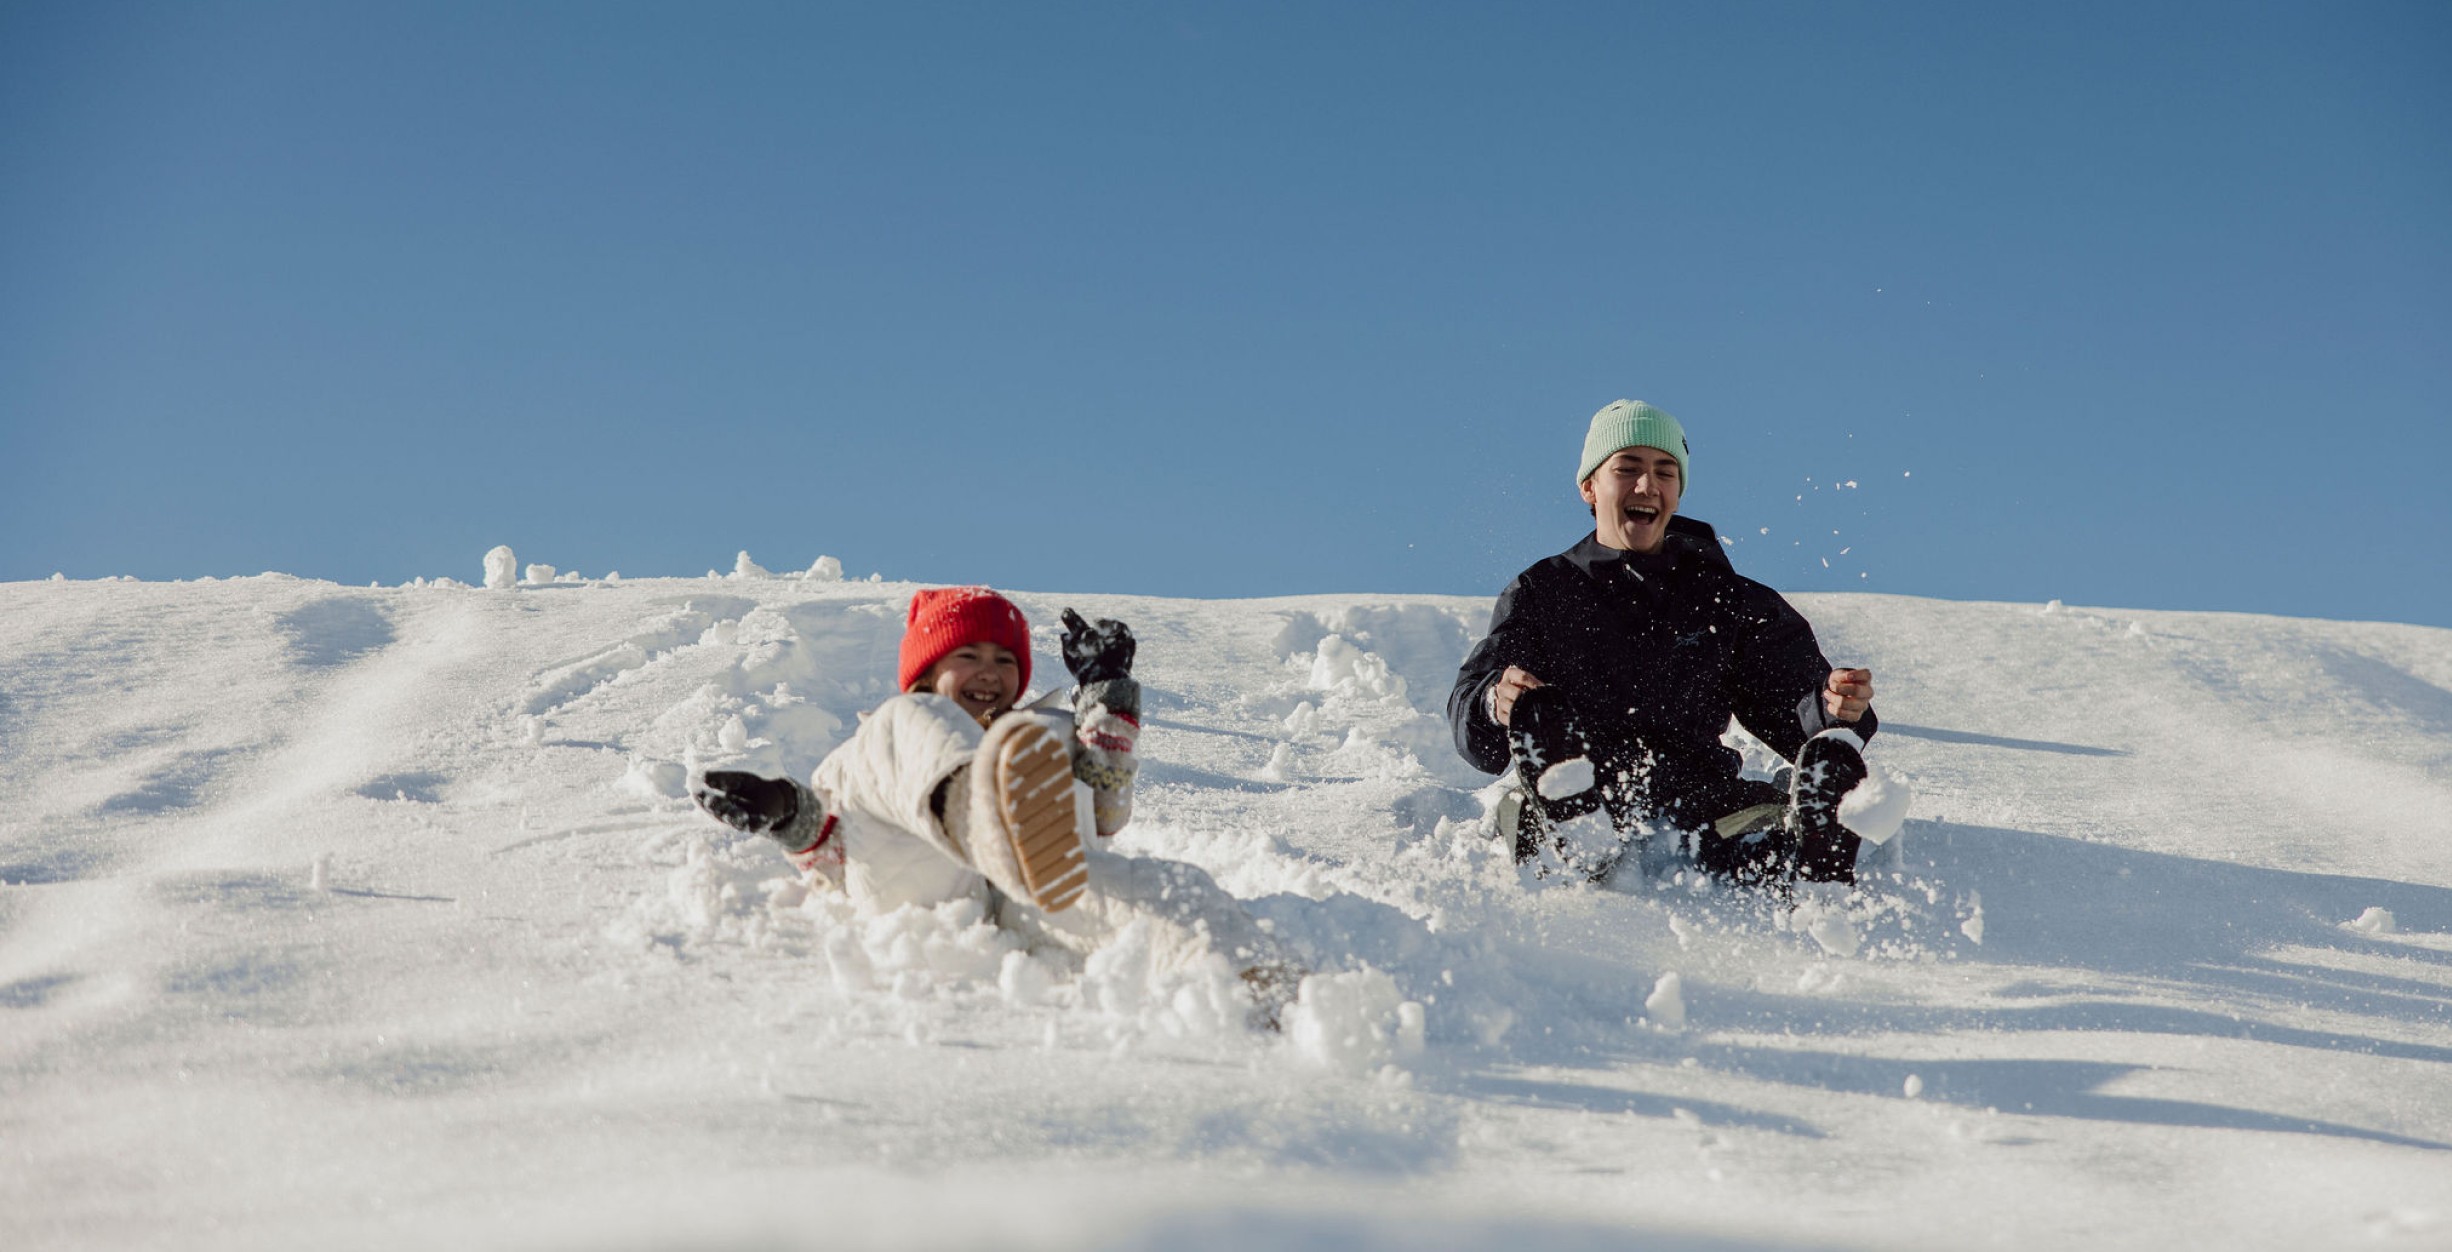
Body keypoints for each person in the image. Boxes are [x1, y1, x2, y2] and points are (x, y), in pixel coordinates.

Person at [691, 587, 1292, 1006]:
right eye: (968, 656)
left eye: (1006, 660)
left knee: (1168, 893)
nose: (991, 671)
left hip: (1036, 886)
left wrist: (1107, 693)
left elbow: (1106, 815)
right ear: (926, 673)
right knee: (912, 724)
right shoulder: (889, 733)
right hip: (924, 898)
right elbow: (834, 853)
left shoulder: (1040, 737)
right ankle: (981, 821)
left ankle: (1263, 991)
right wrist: (787, 814)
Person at [1448, 400, 1881, 886]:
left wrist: (1832, 709)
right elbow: (1474, 724)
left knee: (1769, 818)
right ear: (1590, 487)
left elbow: (1791, 710)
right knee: (1521, 813)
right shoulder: (1546, 591)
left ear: (1678, 490)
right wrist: (1494, 702)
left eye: (1664, 472)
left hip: (1700, 800)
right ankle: (1575, 831)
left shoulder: (1724, 599)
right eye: (1627, 469)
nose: (1647, 485)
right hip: (1587, 785)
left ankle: (1808, 855)